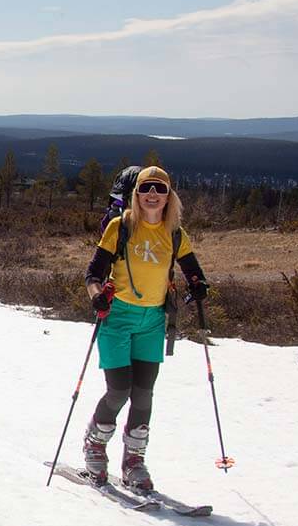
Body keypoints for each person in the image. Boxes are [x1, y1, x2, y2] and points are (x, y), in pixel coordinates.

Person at [82, 165, 208, 491]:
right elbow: (93, 274)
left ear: (169, 196)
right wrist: (97, 297)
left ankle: (134, 460)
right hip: (118, 317)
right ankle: (95, 444)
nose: (153, 194)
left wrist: (198, 285)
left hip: (153, 320)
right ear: (136, 194)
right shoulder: (119, 227)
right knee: (120, 389)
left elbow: (193, 270)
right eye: (146, 188)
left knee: (143, 394)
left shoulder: (176, 233)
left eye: (160, 189)